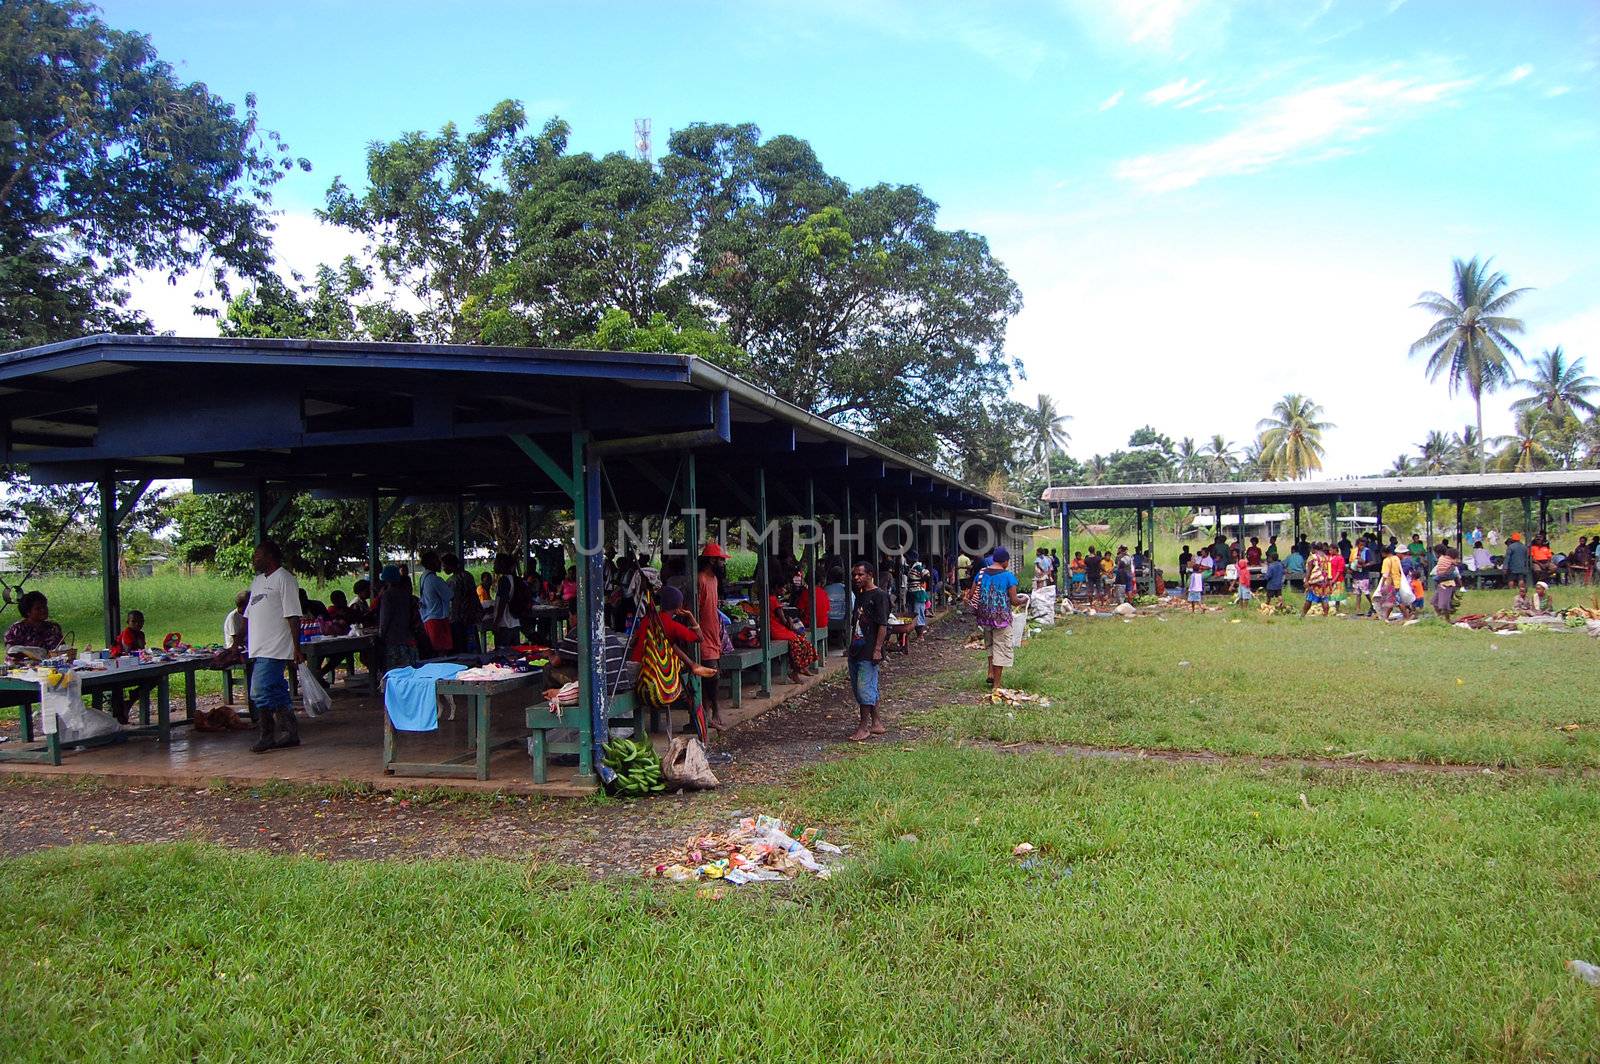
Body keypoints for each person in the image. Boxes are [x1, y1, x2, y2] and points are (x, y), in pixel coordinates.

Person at [245, 539, 304, 754]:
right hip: (258, 646)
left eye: (258, 555)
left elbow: (293, 615)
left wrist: (297, 647)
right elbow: (248, 614)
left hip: (275, 647)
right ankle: (290, 733)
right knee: (277, 691)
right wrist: (236, 642)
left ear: (270, 557)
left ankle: (267, 734)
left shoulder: (285, 579)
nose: (254, 559)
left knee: (259, 691)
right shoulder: (257, 581)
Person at [847, 562, 892, 742]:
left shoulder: (880, 596)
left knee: (864, 687)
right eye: (855, 575)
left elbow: (882, 624)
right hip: (856, 648)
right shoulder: (860, 595)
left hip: (869, 648)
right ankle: (876, 722)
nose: (856, 578)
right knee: (864, 688)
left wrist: (877, 649)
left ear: (870, 575)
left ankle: (863, 727)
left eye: (860, 575)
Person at [974, 546, 1025, 690]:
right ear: (1005, 561)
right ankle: (996, 685)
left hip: (984, 617)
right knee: (1001, 648)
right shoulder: (1008, 576)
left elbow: (972, 593)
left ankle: (990, 672)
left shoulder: (981, 573)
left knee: (990, 644)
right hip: (1001, 618)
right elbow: (1014, 601)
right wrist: (1024, 600)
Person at [696, 542, 727, 730]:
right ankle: (713, 709)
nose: (723, 565)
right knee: (710, 673)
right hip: (702, 634)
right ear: (712, 561)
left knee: (714, 673)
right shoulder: (700, 579)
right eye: (721, 561)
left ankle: (710, 711)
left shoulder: (714, 580)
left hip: (714, 631)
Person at [377, 564, 418, 672]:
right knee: (407, 669)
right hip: (407, 636)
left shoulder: (387, 595)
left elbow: (385, 618)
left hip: (393, 638)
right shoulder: (406, 594)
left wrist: (381, 635)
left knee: (394, 671)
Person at [416, 550, 453, 656]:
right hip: (438, 619)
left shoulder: (424, 578)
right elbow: (450, 595)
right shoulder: (435, 580)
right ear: (431, 563)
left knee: (435, 651)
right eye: (437, 561)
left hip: (428, 618)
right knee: (441, 652)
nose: (440, 563)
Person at [442, 553, 479, 653]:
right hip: (470, 616)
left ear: (450, 565)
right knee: (471, 644)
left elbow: (454, 602)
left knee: (460, 647)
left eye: (444, 566)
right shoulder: (468, 576)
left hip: (458, 619)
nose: (443, 568)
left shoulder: (452, 581)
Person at [1432, 547, 1460, 622]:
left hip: (1447, 584)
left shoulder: (1446, 561)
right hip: (1441, 584)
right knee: (1434, 602)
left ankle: (1447, 619)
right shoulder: (1446, 560)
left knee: (1444, 604)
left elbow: (1449, 572)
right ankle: (1440, 616)